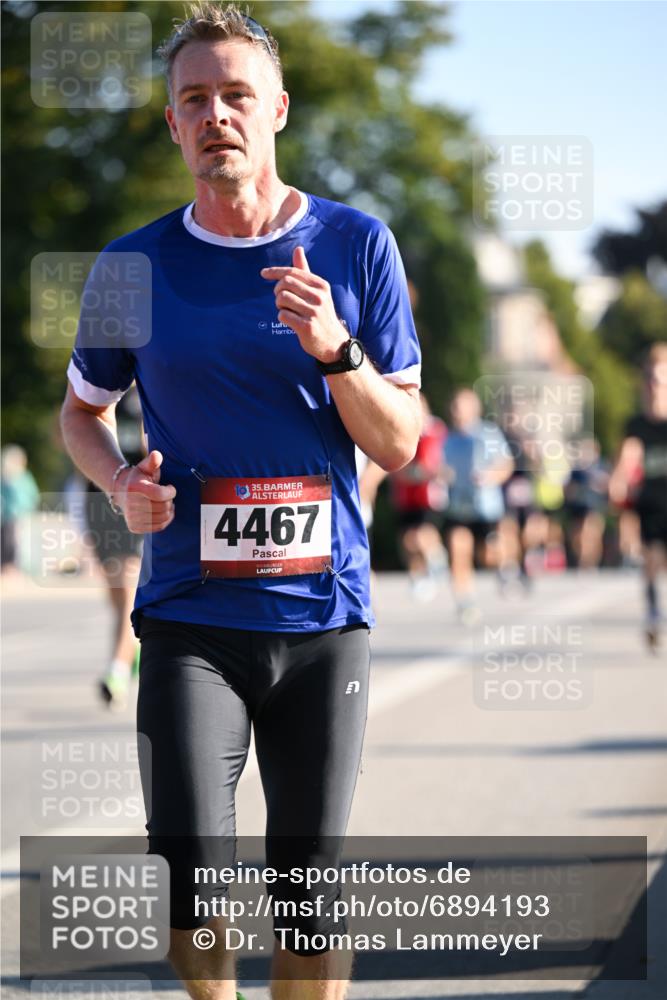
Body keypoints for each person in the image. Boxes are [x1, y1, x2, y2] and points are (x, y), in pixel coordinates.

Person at [59, 5, 422, 999]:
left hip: (322, 620)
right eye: (193, 99)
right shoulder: (131, 265)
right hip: (187, 620)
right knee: (193, 893)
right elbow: (81, 415)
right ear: (173, 124)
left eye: (235, 95)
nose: (215, 113)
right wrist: (119, 481)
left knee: (307, 903)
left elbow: (396, 440)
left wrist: (337, 352)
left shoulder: (354, 245)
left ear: (276, 110)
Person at [83, 384, 145, 708]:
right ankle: (130, 649)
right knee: (116, 596)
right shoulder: (95, 386)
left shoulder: (148, 388)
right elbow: (72, 433)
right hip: (98, 500)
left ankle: (116, 671)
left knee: (127, 588)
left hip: (134, 497)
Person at [610, 344, 667, 650]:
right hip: (650, 504)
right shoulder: (636, 425)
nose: (654, 386)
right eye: (650, 379)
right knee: (651, 562)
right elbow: (627, 458)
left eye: (660, 379)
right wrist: (617, 482)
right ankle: (654, 612)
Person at [442, 388, 513, 623]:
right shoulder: (449, 440)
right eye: (455, 407)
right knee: (457, 549)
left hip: (486, 507)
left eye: (462, 406)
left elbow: (506, 465)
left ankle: (505, 568)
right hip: (458, 506)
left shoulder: (488, 434)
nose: (458, 412)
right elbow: (442, 469)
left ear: (474, 409)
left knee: (487, 557)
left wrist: (490, 476)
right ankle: (465, 603)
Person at [390, 393, 448, 600]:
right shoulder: (401, 427)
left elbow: (432, 464)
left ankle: (437, 562)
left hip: (428, 495)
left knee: (422, 536)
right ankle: (418, 576)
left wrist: (416, 473)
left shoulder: (433, 429)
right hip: (407, 495)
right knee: (408, 541)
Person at [1, 444, 39, 576]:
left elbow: (32, 495)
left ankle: (13, 567)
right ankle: (6, 566)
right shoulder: (5, 478)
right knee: (6, 540)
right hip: (6, 516)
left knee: (16, 542)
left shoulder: (24, 478)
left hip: (20, 515)